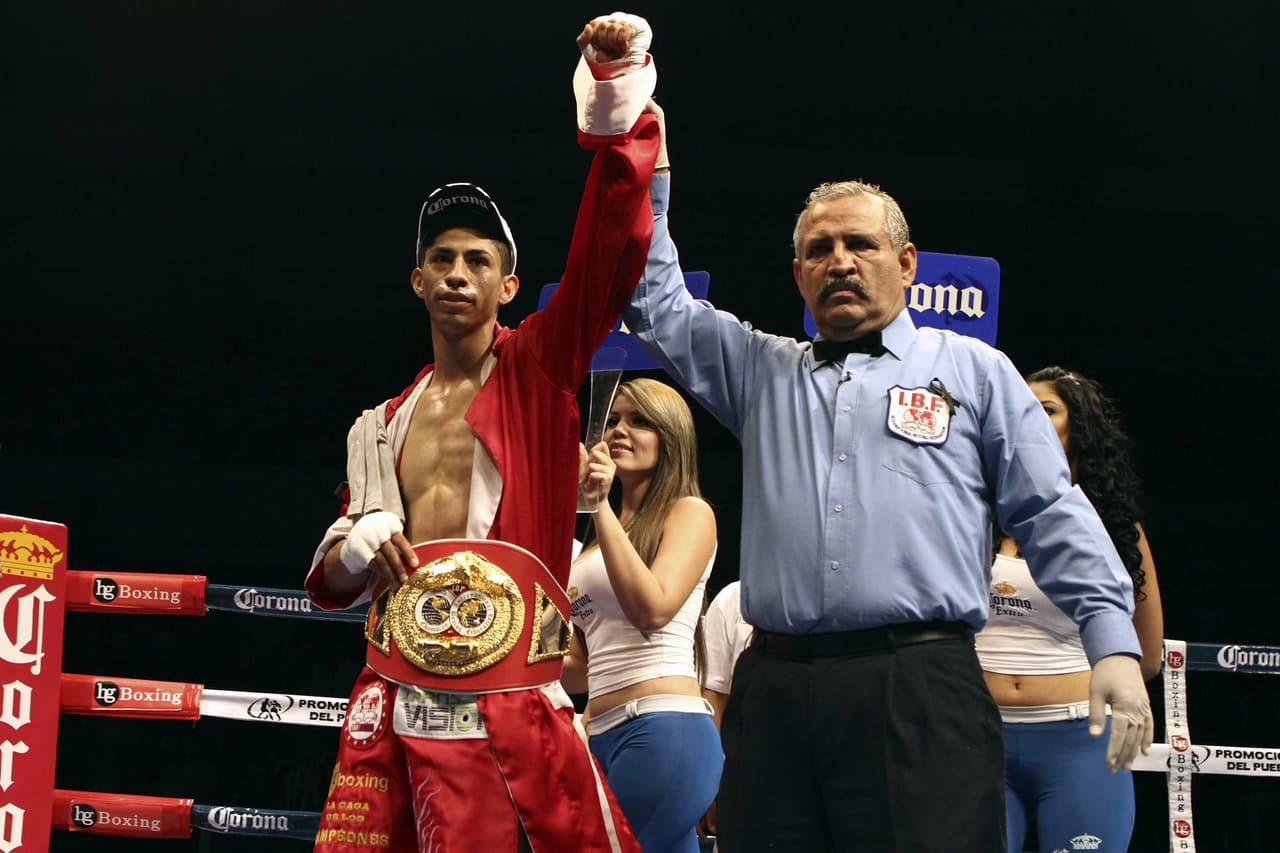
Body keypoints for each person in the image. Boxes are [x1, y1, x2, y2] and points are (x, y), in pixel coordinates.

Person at [620, 137, 1155, 847]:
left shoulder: (973, 370)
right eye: (819, 249)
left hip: (921, 683)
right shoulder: (761, 370)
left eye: (859, 243)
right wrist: (644, 165)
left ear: (906, 264)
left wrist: (1111, 639)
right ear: (798, 274)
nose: (839, 260)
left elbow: (1051, 508)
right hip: (776, 686)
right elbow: (655, 304)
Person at [302, 14, 662, 852]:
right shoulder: (379, 422)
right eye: (442, 258)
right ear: (417, 279)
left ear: (509, 283)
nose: (457, 272)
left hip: (506, 697)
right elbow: (332, 582)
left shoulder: (539, 369)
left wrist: (617, 93)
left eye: (477, 259)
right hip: (395, 692)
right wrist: (358, 546)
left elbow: (617, 237)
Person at [977, 366, 1164, 852]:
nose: (1029, 420)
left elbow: (1144, 654)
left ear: (1078, 427)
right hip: (974, 734)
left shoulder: (1118, 529)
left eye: (1046, 409)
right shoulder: (974, 515)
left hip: (1078, 739)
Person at [562, 377, 723, 853]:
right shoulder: (592, 547)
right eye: (611, 421)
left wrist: (597, 508)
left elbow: (652, 609)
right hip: (599, 735)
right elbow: (578, 669)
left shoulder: (689, 512)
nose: (618, 431)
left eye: (639, 421)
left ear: (670, 436)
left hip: (662, 728)